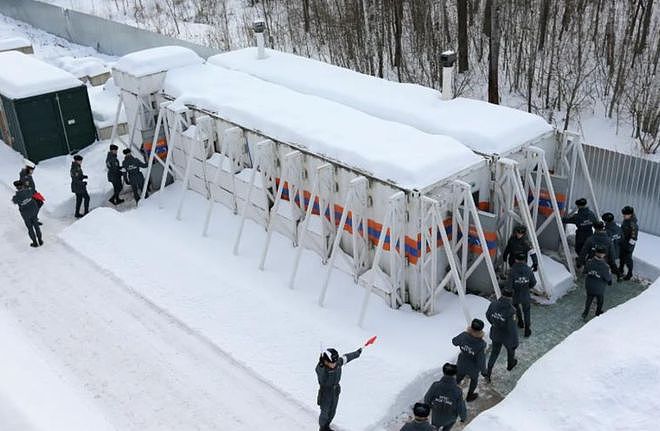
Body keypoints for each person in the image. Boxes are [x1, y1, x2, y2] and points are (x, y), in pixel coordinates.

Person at [316, 347, 362, 431]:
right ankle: (322, 428)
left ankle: (327, 426)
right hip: (326, 393)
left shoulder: (338, 363)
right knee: (324, 413)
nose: (334, 364)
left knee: (332, 411)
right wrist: (321, 365)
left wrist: (357, 353)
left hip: (335, 391)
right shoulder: (322, 369)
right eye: (332, 363)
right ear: (325, 361)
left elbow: (347, 357)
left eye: (335, 362)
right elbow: (321, 377)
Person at [484, 289, 519, 380]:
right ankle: (510, 365)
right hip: (507, 336)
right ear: (511, 297)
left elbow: (488, 315)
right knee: (510, 350)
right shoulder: (511, 311)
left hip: (495, 333)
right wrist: (515, 342)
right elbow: (512, 329)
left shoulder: (493, 304)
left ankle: (488, 372)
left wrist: (494, 323)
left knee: (494, 353)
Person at [451, 319, 487, 402]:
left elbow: (454, 342)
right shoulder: (481, 344)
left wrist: (464, 344)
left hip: (461, 363)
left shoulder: (464, 335)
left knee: (458, 377)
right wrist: (484, 371)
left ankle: (451, 391)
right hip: (473, 368)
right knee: (474, 380)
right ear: (481, 330)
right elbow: (481, 360)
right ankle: (470, 396)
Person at [423, 363, 466, 430]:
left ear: (443, 372)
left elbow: (427, 399)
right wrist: (463, 418)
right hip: (450, 417)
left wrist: (432, 407)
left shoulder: (435, 386)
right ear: (455, 374)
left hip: (436, 415)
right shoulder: (458, 391)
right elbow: (460, 407)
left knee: (434, 428)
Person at [508, 252, 536, 337]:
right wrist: (527, 287)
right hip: (525, 294)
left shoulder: (512, 270)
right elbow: (533, 282)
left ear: (516, 260)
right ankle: (527, 329)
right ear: (524, 260)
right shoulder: (528, 270)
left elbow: (509, 286)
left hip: (515, 294)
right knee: (527, 311)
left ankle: (520, 321)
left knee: (516, 307)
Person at [582, 246, 613, 319]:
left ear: (595, 253)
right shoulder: (605, 266)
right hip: (599, 288)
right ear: (603, 255)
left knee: (589, 299)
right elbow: (607, 278)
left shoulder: (589, 262)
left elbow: (585, 271)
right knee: (600, 300)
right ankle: (598, 312)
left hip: (589, 285)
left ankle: (585, 312)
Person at [12, 180, 43, 247]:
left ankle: (35, 242)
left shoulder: (16, 197)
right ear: (23, 186)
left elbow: (14, 201)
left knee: (30, 228)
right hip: (34, 211)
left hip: (26, 215)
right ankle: (40, 240)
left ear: (16, 188)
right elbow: (32, 193)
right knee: (36, 226)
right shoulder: (29, 191)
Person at [19, 159, 42, 225]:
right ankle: (33, 219)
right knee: (35, 206)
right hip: (29, 194)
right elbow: (26, 187)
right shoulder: (24, 176)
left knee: (40, 203)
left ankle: (34, 218)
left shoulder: (27, 174)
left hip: (33, 192)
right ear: (28, 169)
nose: (32, 171)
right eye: (32, 170)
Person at [618, 206, 638, 281]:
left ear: (630, 214)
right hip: (623, 242)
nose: (623, 215)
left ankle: (629, 273)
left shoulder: (633, 225)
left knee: (628, 259)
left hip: (628, 244)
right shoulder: (626, 220)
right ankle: (621, 269)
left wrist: (629, 248)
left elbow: (634, 238)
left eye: (625, 214)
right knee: (622, 256)